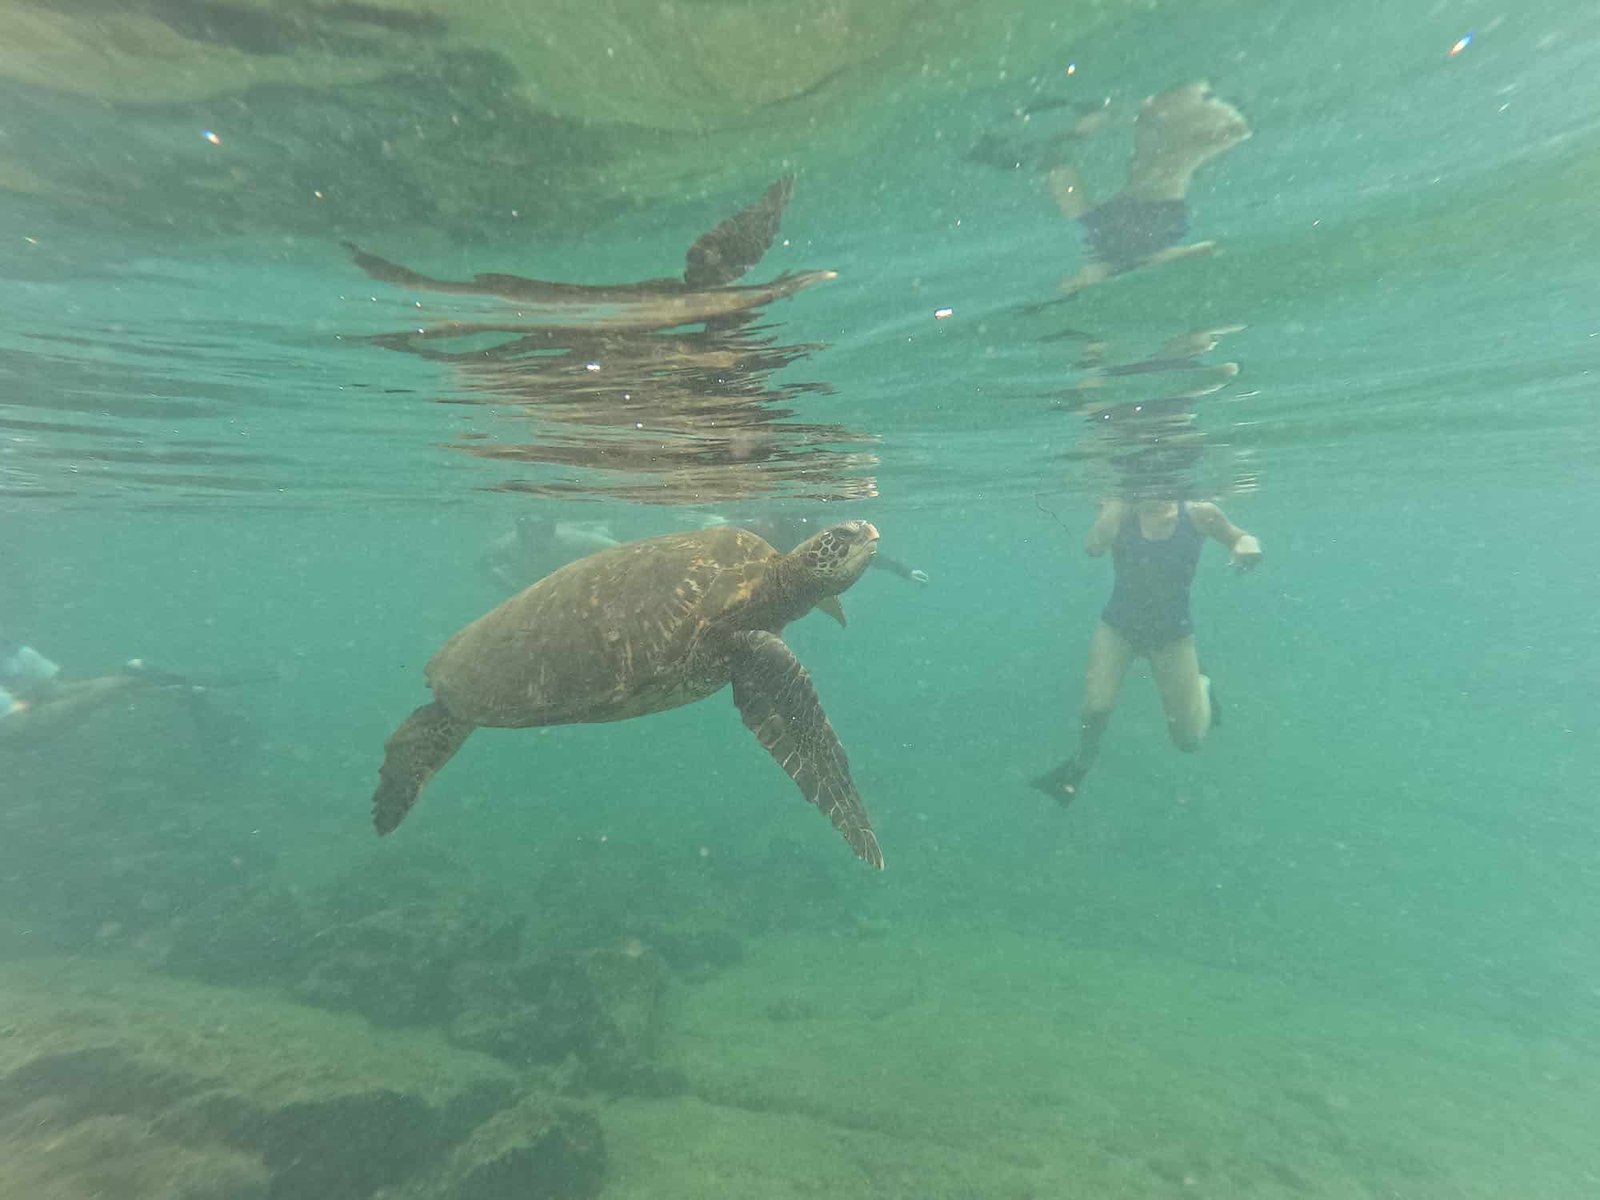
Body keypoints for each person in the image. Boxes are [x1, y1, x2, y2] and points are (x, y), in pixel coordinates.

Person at [1031, 493, 1260, 803]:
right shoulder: (1120, 509)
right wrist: (1115, 505)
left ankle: (1202, 684)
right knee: (1096, 708)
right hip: (1118, 627)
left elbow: (1239, 536)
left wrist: (1247, 545)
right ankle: (1079, 767)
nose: (1152, 486)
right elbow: (1094, 547)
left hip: (1172, 635)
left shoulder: (1199, 513)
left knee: (1189, 741)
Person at [1048, 81, 1251, 297]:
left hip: (1137, 234)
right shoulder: (1105, 240)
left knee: (1169, 159)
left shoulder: (1113, 241)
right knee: (1167, 160)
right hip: (1127, 237)